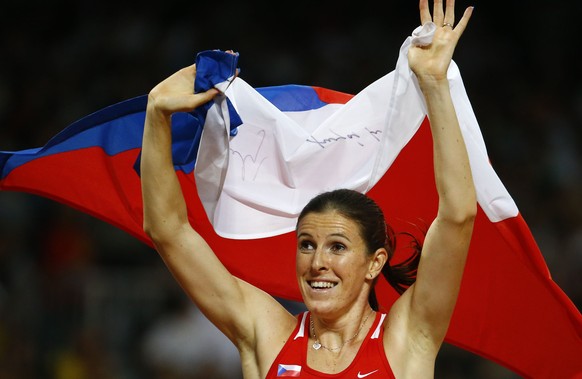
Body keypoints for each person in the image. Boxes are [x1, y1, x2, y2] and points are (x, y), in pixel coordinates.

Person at [140, 0, 476, 377]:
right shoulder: (266, 334)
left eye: (337, 247)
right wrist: (157, 116)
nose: (318, 263)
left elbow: (457, 215)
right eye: (306, 244)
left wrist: (434, 85)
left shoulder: (408, 339)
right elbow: (168, 231)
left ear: (375, 263)